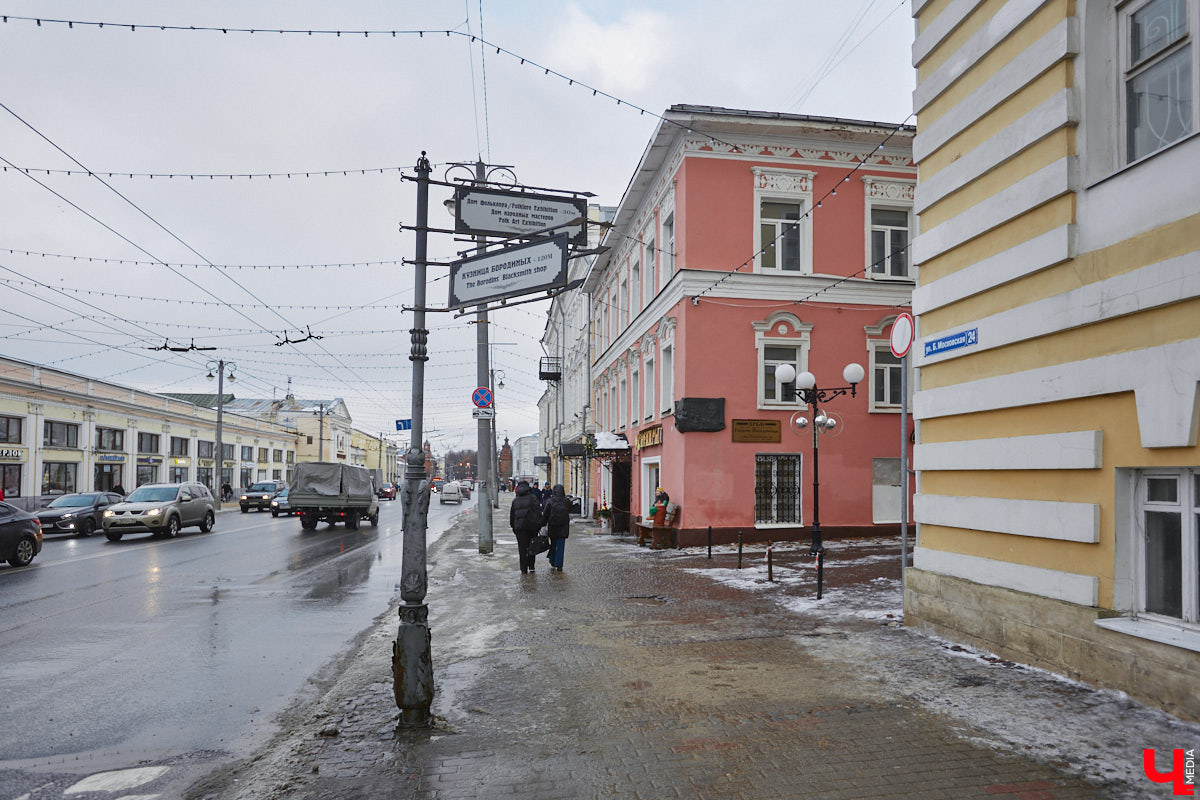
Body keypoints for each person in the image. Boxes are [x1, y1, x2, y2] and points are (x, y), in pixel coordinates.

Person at [509, 480, 543, 575]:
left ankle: (523, 569)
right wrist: (539, 525)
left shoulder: (515, 501)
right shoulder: (533, 498)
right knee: (532, 546)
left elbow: (512, 516)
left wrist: (514, 527)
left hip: (520, 528)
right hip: (532, 527)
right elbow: (538, 511)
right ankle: (531, 566)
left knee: (522, 548)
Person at [541, 483, 572, 572]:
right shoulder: (566, 501)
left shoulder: (550, 501)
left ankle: (553, 560)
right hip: (564, 527)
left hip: (553, 527)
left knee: (553, 545)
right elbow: (570, 510)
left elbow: (545, 514)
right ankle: (559, 565)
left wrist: (542, 524)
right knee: (561, 546)